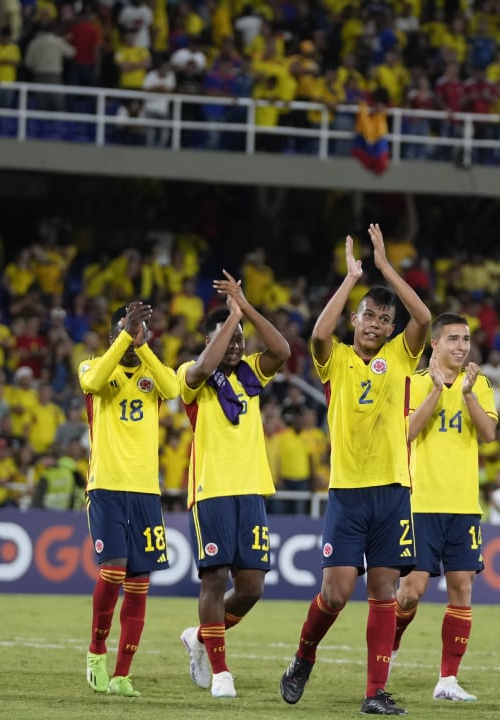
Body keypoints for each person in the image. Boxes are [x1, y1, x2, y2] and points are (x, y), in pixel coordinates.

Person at [280, 225, 430, 716]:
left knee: (383, 591)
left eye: (383, 319)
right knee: (336, 592)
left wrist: (387, 269)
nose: (375, 324)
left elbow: (424, 317)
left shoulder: (399, 356)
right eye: (368, 315)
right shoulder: (336, 358)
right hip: (347, 493)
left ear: (390, 329)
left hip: (392, 491)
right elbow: (318, 333)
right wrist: (351, 279)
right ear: (357, 319)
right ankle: (304, 655)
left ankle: (375, 692)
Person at [177, 271, 291, 699]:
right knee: (214, 578)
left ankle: (201, 637)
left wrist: (245, 309)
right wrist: (229, 320)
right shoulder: (193, 375)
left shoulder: (250, 376)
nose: (238, 345)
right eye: (230, 338)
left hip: (251, 490)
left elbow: (281, 349)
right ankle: (220, 670)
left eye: (241, 338)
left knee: (251, 588)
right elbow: (206, 364)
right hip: (211, 490)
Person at [390, 313, 498, 701]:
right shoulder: (415, 382)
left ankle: (447, 681)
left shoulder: (480, 384)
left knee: (461, 589)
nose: (461, 346)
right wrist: (437, 390)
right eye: (452, 338)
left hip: (464, 505)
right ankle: (394, 639)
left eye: (465, 339)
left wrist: (467, 393)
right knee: (411, 591)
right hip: (420, 503)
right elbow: (408, 432)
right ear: (434, 344)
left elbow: (488, 435)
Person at [80, 301, 179, 698]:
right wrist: (124, 339)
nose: (139, 334)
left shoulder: (153, 374)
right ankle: (95, 653)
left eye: (143, 329)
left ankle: (122, 674)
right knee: (113, 572)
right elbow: (91, 385)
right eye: (131, 328)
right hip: (105, 486)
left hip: (145, 493)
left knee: (139, 584)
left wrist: (142, 347)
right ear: (113, 334)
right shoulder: (94, 367)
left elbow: (172, 389)